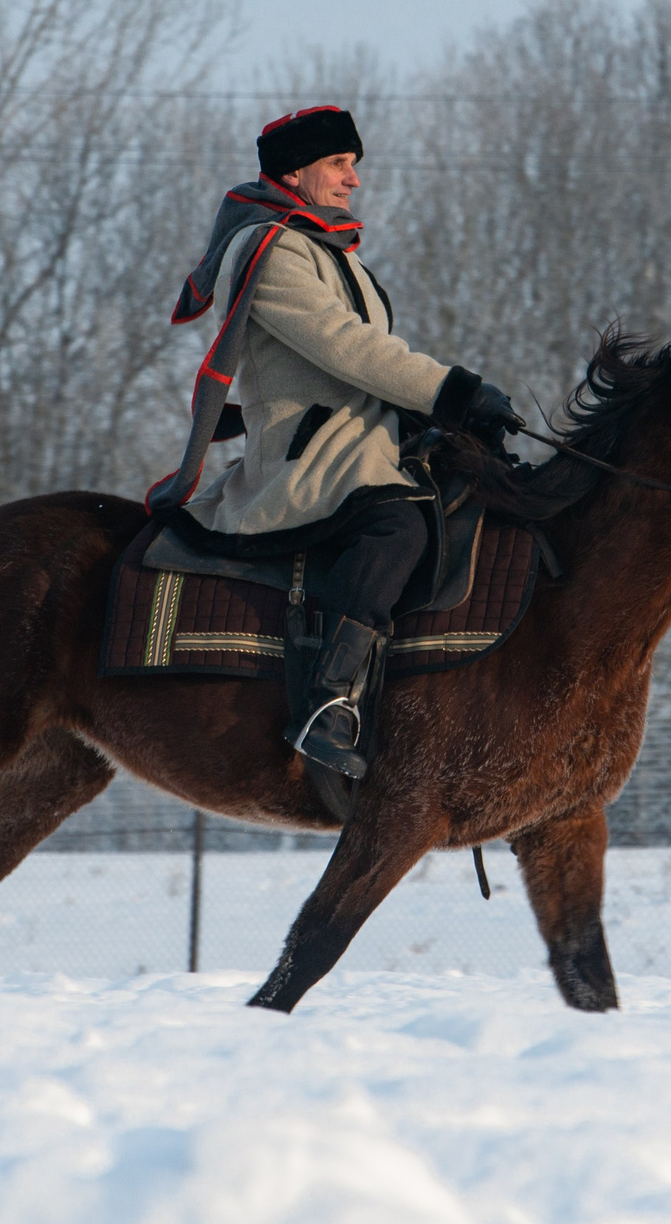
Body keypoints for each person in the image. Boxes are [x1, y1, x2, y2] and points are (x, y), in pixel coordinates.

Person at [146, 104, 523, 778]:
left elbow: (370, 362)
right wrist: (455, 390)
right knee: (396, 530)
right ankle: (329, 700)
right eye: (339, 165)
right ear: (294, 171)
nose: (354, 180)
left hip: (363, 448)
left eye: (354, 166)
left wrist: (449, 423)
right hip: (312, 462)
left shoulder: (326, 248)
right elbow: (350, 350)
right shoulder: (273, 249)